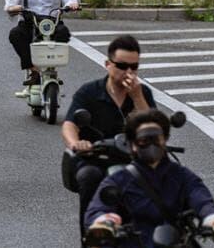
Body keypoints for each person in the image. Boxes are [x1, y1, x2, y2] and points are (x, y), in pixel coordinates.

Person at [85, 110, 214, 248]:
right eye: (144, 140)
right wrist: (105, 221)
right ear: (133, 145)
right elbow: (98, 209)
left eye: (156, 138)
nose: (151, 145)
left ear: (165, 140)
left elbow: (201, 201)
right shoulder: (119, 180)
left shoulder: (182, 176)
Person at [61, 35, 154, 243]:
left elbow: (153, 128)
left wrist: (137, 97)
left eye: (134, 67)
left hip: (132, 161)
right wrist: (76, 143)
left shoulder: (142, 92)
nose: (128, 72)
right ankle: (90, 238)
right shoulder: (90, 92)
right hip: (94, 158)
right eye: (122, 66)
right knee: (89, 177)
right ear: (108, 64)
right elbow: (69, 124)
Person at [5, 0, 79, 87]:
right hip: (29, 22)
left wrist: (71, 4)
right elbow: (10, 3)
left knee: (63, 33)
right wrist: (14, 7)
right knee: (15, 34)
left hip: (52, 22)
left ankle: (51, 68)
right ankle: (34, 69)